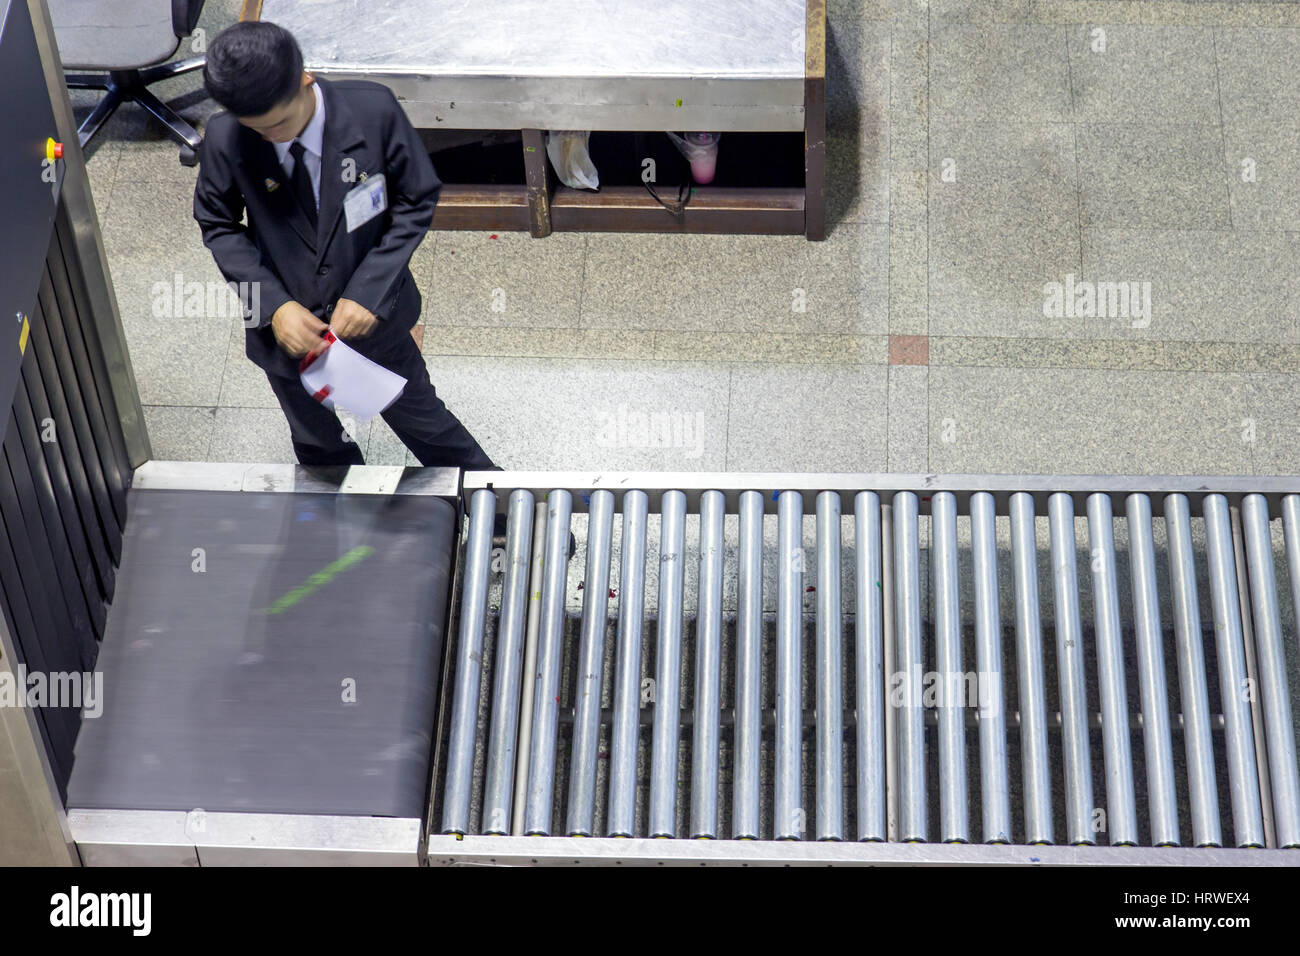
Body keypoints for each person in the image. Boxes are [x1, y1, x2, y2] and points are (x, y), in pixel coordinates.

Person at [193, 21, 496, 472]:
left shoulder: (372, 111)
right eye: (257, 130)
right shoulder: (226, 136)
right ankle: (339, 523)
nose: (272, 137)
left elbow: (416, 199)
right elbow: (217, 223)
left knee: (425, 423)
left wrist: (368, 292)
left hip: (374, 324)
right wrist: (275, 306)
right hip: (287, 333)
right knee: (316, 439)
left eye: (279, 123)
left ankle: (504, 512)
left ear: (304, 79)